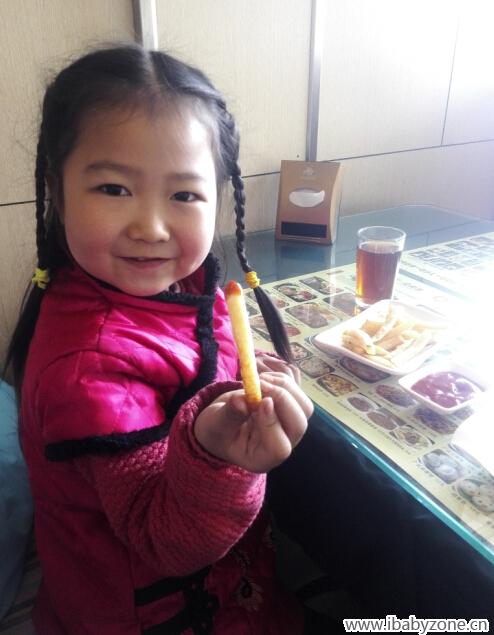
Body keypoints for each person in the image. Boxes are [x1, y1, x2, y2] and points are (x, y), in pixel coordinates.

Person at [4, 44, 326, 634]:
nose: (151, 227)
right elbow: (167, 541)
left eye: (183, 195)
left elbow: (198, 356)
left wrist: (251, 379)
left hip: (242, 583)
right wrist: (218, 453)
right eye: (113, 189)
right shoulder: (86, 370)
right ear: (57, 191)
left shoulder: (178, 285)